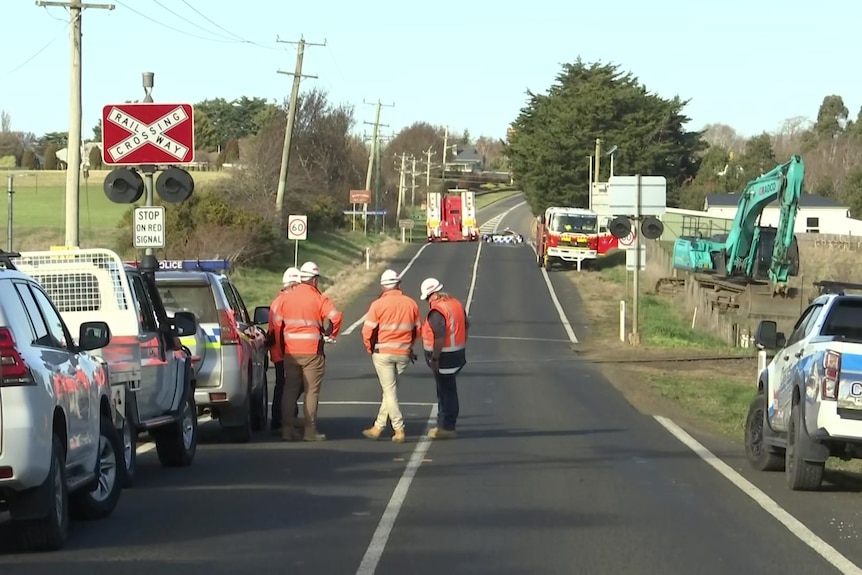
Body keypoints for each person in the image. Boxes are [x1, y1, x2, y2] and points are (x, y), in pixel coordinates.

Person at [273, 261, 343, 441]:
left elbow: (278, 325)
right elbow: (336, 317)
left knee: (289, 390)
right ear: (314, 280)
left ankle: (287, 430)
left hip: (290, 351)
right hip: (312, 352)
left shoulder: (286, 298)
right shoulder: (318, 298)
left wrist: (281, 349)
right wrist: (330, 333)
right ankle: (309, 431)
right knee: (311, 391)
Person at [361, 269, 421, 443]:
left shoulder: (377, 305)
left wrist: (369, 348)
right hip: (403, 352)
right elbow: (418, 329)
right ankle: (378, 427)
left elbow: (367, 330)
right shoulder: (411, 303)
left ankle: (399, 428)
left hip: (383, 353)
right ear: (399, 284)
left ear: (383, 286)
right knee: (390, 391)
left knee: (389, 391)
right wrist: (409, 346)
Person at [419, 277, 469, 440]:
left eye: (427, 298)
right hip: (457, 354)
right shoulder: (456, 304)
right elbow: (467, 324)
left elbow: (439, 336)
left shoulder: (437, 311)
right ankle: (443, 424)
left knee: (446, 392)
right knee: (446, 390)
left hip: (445, 358)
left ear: (431, 295)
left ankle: (447, 426)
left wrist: (435, 358)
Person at [266, 266, 301, 434]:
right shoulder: (284, 302)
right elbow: (279, 330)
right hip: (284, 352)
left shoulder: (278, 301)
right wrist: (285, 352)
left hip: (280, 351)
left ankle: (282, 418)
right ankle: (282, 419)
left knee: (283, 385)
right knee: (287, 386)